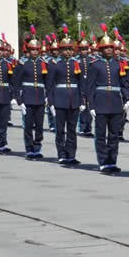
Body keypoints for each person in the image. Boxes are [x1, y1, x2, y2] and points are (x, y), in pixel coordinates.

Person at [87, 27, 129, 173]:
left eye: (110, 47)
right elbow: (90, 87)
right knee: (100, 134)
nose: (108, 50)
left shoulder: (119, 64)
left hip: (115, 102)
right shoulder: (94, 64)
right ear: (101, 49)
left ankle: (112, 161)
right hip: (100, 102)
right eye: (105, 47)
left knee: (114, 134)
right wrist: (91, 105)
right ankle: (103, 161)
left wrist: (126, 99)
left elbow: (124, 83)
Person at [47, 26, 83, 166]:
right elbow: (50, 85)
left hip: (73, 100)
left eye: (70, 49)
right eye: (65, 49)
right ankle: (61, 154)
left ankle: (71, 155)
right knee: (60, 130)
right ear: (60, 50)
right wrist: (51, 103)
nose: (68, 51)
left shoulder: (76, 63)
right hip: (59, 100)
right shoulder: (55, 64)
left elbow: (81, 84)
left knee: (72, 130)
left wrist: (82, 100)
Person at [13, 27, 48, 159]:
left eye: (36, 50)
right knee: (28, 125)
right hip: (27, 97)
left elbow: (47, 82)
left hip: (39, 97)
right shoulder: (22, 64)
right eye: (32, 50)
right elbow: (16, 83)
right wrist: (19, 100)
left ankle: (37, 147)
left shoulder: (43, 64)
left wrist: (48, 97)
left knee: (39, 126)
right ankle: (29, 148)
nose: (34, 52)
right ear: (29, 50)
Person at [76, 35, 95, 137]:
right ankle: (82, 128)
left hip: (90, 85)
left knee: (90, 107)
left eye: (85, 49)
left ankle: (88, 128)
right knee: (82, 107)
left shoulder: (91, 60)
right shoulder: (76, 60)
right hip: (80, 84)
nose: (84, 51)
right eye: (82, 49)